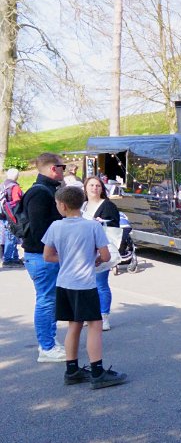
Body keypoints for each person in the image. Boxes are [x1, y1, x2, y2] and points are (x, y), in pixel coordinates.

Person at [43, 186, 127, 389]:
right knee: (95, 325)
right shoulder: (92, 227)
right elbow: (106, 256)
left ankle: (71, 369)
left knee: (74, 325)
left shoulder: (55, 226)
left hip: (64, 283)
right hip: (84, 283)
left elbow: (48, 256)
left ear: (62, 206)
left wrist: (66, 258)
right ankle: (97, 371)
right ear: (81, 204)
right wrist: (96, 259)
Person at [22, 153, 67, 363]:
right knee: (46, 301)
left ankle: (50, 342)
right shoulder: (40, 193)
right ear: (52, 169)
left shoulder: (48, 190)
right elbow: (41, 230)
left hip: (44, 256)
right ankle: (46, 347)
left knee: (50, 300)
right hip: (41, 256)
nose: (64, 170)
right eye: (62, 167)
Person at [81, 176, 121, 331]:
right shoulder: (82, 205)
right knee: (85, 285)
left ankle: (104, 315)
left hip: (101, 250)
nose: (94, 188)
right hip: (84, 251)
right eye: (91, 185)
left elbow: (114, 228)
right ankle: (89, 314)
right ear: (85, 188)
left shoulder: (108, 206)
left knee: (100, 283)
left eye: (97, 185)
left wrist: (100, 223)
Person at [2, 168, 24, 268]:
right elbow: (17, 201)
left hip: (2, 215)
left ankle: (14, 257)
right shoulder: (15, 187)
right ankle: (8, 259)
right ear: (17, 176)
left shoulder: (3, 185)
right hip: (11, 215)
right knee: (11, 236)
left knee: (10, 236)